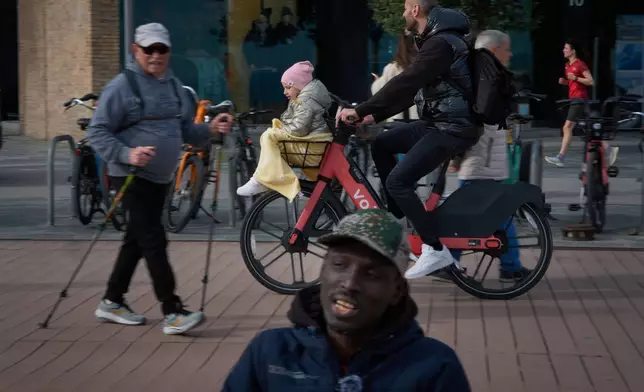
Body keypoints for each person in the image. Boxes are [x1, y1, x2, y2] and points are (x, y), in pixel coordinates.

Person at [87, 23, 233, 335]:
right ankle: (173, 310)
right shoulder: (121, 87)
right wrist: (128, 154)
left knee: (137, 240)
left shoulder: (174, 87)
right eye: (148, 49)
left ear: (169, 51)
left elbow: (185, 131)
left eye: (161, 49)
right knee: (153, 239)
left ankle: (112, 300)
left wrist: (210, 130)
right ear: (135, 50)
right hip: (130, 176)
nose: (155, 55)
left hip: (160, 177)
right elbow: (96, 132)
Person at [221, 209, 471, 391]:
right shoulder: (270, 353)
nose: (350, 283)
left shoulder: (434, 367)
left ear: (396, 291)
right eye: (339, 264)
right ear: (322, 270)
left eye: (372, 274)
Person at [338, 0, 480, 278]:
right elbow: (409, 91)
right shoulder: (439, 40)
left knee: (397, 181)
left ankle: (434, 250)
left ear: (415, 9)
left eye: (405, 8)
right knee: (382, 143)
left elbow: (406, 81)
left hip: (452, 128)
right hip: (437, 122)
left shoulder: (441, 43)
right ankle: (399, 218)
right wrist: (371, 116)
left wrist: (360, 110)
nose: (403, 13)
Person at [436, 30, 531, 282]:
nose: (510, 54)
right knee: (491, 216)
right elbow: (477, 118)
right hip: (482, 162)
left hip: (485, 161)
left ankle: (452, 262)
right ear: (493, 51)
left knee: (485, 216)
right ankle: (504, 267)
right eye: (506, 49)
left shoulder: (484, 76)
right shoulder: (483, 78)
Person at [236, 60, 333, 201]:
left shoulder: (305, 100)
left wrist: (282, 129)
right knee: (274, 135)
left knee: (269, 136)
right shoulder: (304, 98)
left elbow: (299, 129)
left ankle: (265, 180)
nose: (285, 92)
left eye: (288, 87)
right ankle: (263, 178)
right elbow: (292, 122)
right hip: (314, 145)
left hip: (312, 148)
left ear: (299, 86)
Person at [545, 40, 618, 167]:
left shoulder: (580, 64)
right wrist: (566, 82)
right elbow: (574, 83)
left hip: (579, 99)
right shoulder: (567, 65)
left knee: (567, 128)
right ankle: (609, 148)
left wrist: (576, 78)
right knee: (588, 126)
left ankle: (561, 157)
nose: (563, 50)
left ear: (573, 51)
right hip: (575, 99)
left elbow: (591, 82)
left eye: (566, 48)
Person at [370, 31, 419, 122]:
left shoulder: (392, 68)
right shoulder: (425, 66)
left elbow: (378, 92)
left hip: (397, 119)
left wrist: (376, 82)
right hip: (420, 119)